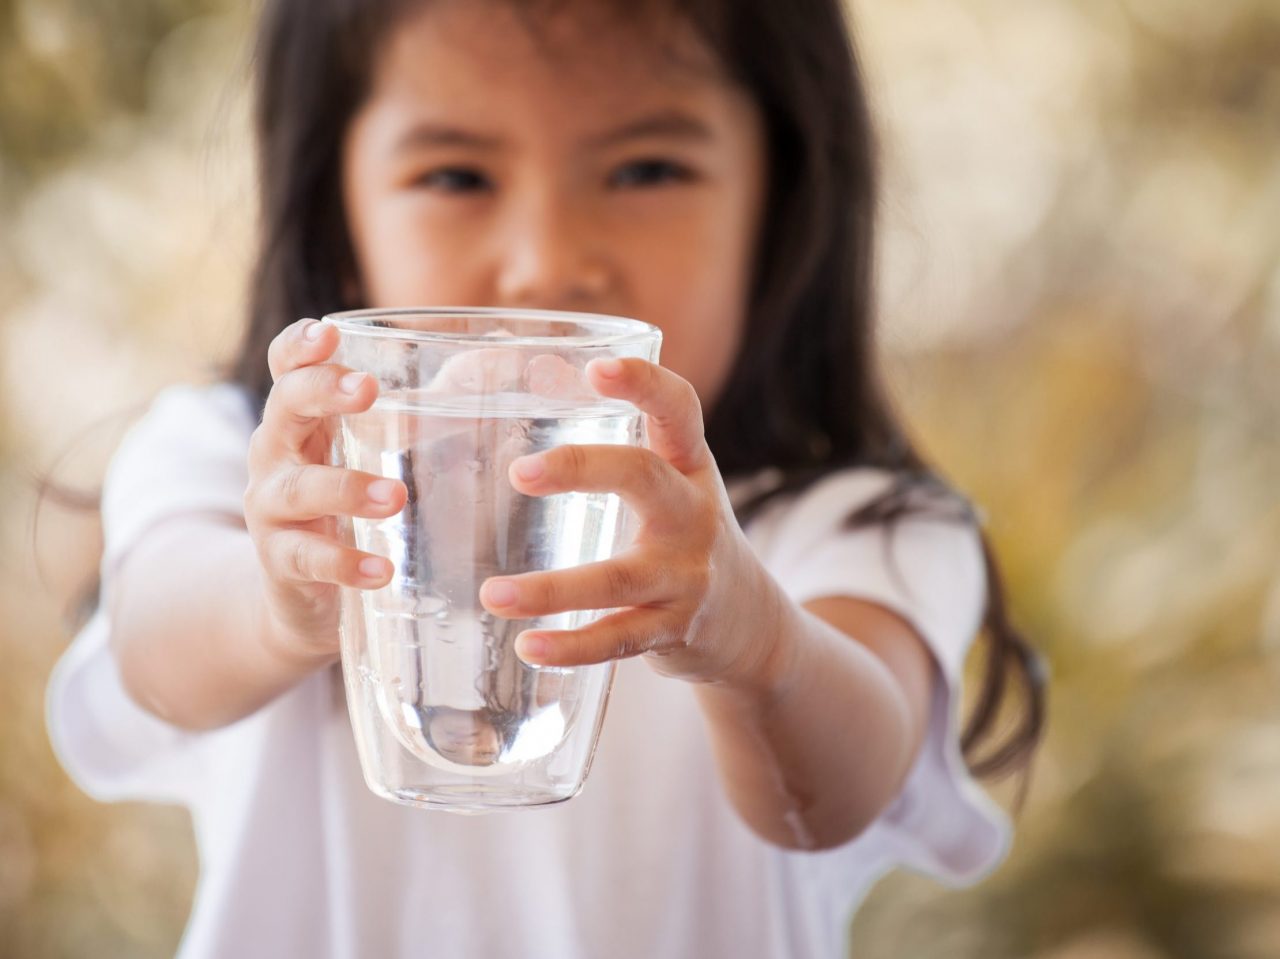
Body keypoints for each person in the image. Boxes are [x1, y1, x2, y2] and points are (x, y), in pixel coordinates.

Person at [45, 0, 1046, 956]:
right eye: (456, 176)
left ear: (778, 201)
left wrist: (751, 634)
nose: (545, 265)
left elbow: (833, 790)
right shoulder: (246, 460)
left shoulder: (851, 520)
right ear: (335, 210)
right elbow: (153, 640)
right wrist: (273, 600)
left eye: (645, 167)